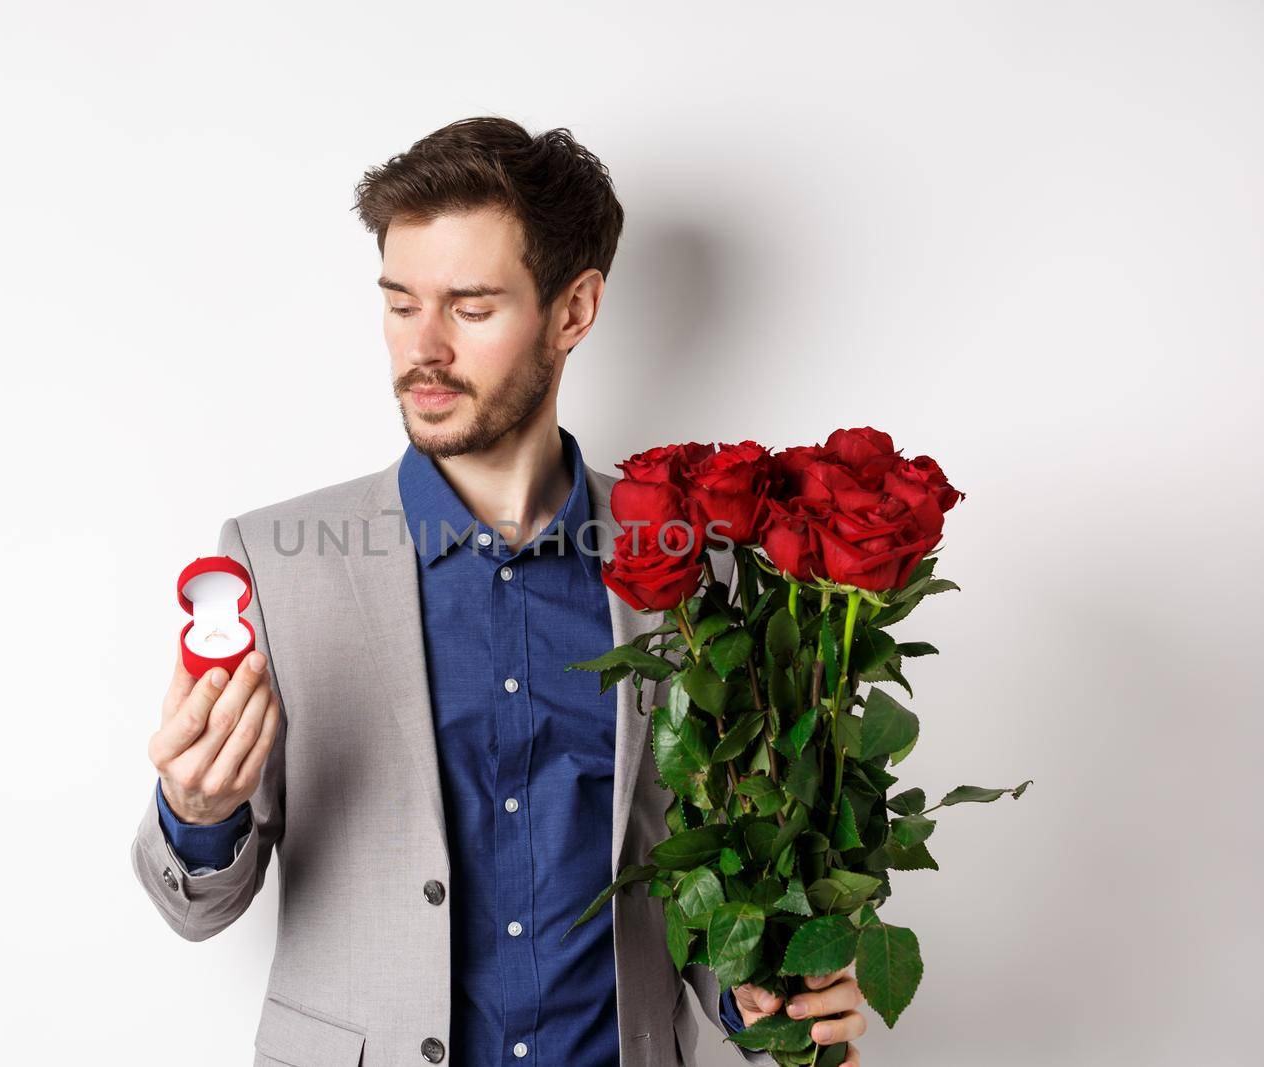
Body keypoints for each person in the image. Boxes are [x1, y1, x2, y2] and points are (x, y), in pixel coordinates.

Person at [131, 115, 868, 1067]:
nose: (423, 349)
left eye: (470, 308)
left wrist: (766, 997)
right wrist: (196, 810)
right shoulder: (273, 563)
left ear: (573, 310)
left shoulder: (694, 568)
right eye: (401, 304)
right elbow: (196, 907)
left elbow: (701, 884)